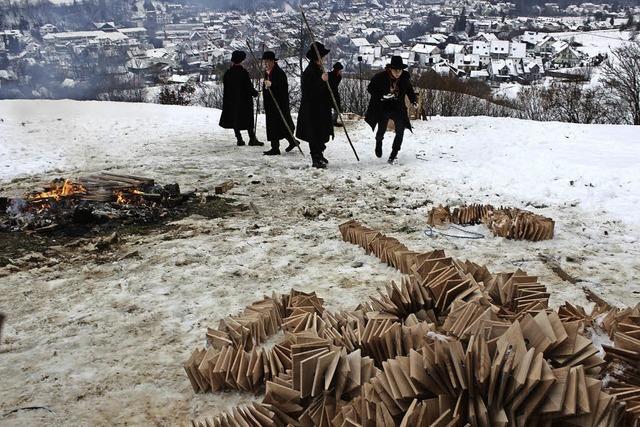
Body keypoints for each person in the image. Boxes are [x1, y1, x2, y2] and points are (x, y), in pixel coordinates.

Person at [365, 56, 417, 164]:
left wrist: (414, 101)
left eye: (400, 70)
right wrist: (382, 96)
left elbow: (409, 91)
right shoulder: (380, 77)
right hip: (384, 107)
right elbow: (370, 88)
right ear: (390, 69)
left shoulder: (404, 78)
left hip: (398, 107)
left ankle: (394, 153)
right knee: (381, 129)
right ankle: (378, 142)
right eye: (395, 70)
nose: (398, 72)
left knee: (400, 131)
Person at [296, 42, 333, 169]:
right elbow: (308, 91)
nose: (325, 58)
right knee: (314, 135)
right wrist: (321, 81)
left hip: (321, 108)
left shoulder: (319, 68)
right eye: (323, 56)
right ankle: (315, 159)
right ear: (318, 57)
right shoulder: (309, 71)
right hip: (312, 109)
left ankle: (320, 154)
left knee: (321, 134)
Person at [219, 50, 263, 146]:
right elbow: (248, 87)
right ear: (241, 60)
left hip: (232, 101)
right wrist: (256, 93)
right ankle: (252, 139)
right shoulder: (243, 72)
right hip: (244, 101)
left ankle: (239, 139)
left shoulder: (228, 73)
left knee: (235, 119)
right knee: (248, 120)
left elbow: (226, 89)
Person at [261, 51, 300, 156]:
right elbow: (266, 87)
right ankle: (289, 142)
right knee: (274, 125)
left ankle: (278, 147)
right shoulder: (267, 72)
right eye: (265, 62)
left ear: (273, 61)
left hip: (279, 104)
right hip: (270, 104)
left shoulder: (279, 73)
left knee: (281, 124)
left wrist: (272, 85)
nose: (266, 64)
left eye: (268, 61)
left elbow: (282, 89)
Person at [328, 62, 343, 126]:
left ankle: (334, 121)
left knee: (337, 107)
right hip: (327, 93)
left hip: (335, 93)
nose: (340, 71)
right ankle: (328, 120)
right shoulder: (329, 75)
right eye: (339, 70)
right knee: (327, 107)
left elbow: (335, 85)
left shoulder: (339, 77)